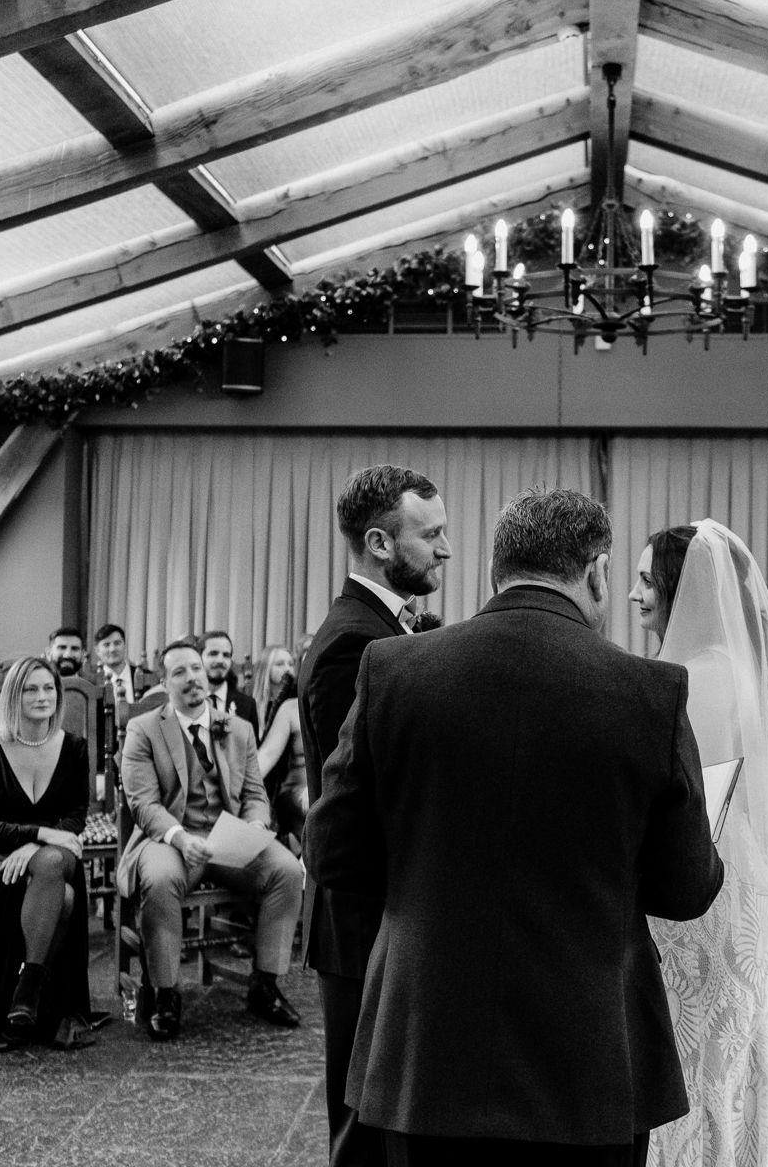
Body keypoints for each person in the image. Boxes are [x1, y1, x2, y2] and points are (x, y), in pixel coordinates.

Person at [310, 489, 725, 1166]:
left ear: (497, 569)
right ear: (596, 569)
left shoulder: (395, 670)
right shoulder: (650, 692)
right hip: (592, 1052)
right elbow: (685, 888)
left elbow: (333, 855)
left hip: (425, 1046)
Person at [629, 522, 768, 1165]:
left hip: (699, 866)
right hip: (736, 860)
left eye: (645, 580)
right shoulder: (735, 671)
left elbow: (678, 796)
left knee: (691, 1036)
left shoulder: (687, 678)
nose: (636, 594)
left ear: (680, 586)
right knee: (735, 1034)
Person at [298, 464, 450, 1167]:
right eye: (433, 534)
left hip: (383, 914)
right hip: (366, 915)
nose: (446, 548)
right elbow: (356, 807)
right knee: (363, 1121)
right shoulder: (352, 645)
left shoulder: (382, 630)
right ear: (381, 543)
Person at [119, 639, 304, 1037]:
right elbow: (143, 804)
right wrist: (180, 836)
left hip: (228, 839)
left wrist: (255, 827)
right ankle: (167, 994)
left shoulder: (237, 728)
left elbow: (255, 795)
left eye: (196, 669)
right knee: (161, 880)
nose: (192, 679)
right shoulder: (144, 729)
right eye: (180, 672)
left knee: (287, 870)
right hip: (168, 838)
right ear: (164, 684)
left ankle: (264, 984)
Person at [0, 657, 94, 1051]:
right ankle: (32, 991)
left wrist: (37, 842)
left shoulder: (75, 748)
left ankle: (25, 989)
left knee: (51, 862)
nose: (42, 696)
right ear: (14, 697)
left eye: (48, 688)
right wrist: (38, 834)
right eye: (31, 689)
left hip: (54, 851)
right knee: (63, 897)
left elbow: (75, 818)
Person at [250, 645, 307, 840]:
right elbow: (266, 756)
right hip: (298, 791)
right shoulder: (290, 708)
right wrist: (238, 789)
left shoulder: (347, 706)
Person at [197, 630, 259, 735]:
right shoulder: (187, 702)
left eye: (226, 655)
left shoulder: (247, 705)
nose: (220, 660)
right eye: (213, 654)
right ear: (198, 658)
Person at [92, 623, 148, 703]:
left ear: (125, 645)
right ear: (97, 651)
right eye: (106, 645)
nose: (112, 649)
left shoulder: (146, 677)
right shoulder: (91, 682)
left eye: (117, 643)